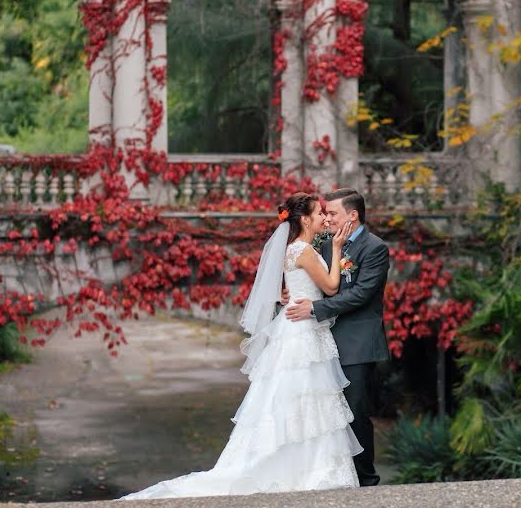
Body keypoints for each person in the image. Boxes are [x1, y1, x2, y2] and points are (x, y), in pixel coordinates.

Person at [121, 192, 360, 499]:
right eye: (318, 214)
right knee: (307, 397)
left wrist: (291, 293)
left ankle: (295, 463)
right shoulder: (306, 251)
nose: (324, 219)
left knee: (287, 397)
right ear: (304, 219)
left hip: (293, 328)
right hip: (304, 332)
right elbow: (330, 286)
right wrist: (338, 248)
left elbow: (293, 286)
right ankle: (308, 468)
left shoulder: (291, 249)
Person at [285, 188, 391, 487]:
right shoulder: (325, 243)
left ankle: (366, 482)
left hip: (356, 344)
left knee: (354, 413)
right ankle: (331, 478)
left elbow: (360, 294)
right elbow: (316, 279)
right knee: (323, 415)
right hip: (322, 342)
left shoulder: (374, 248)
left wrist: (315, 307)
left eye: (332, 213)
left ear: (353, 215)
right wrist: (293, 294)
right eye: (325, 213)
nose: (327, 218)